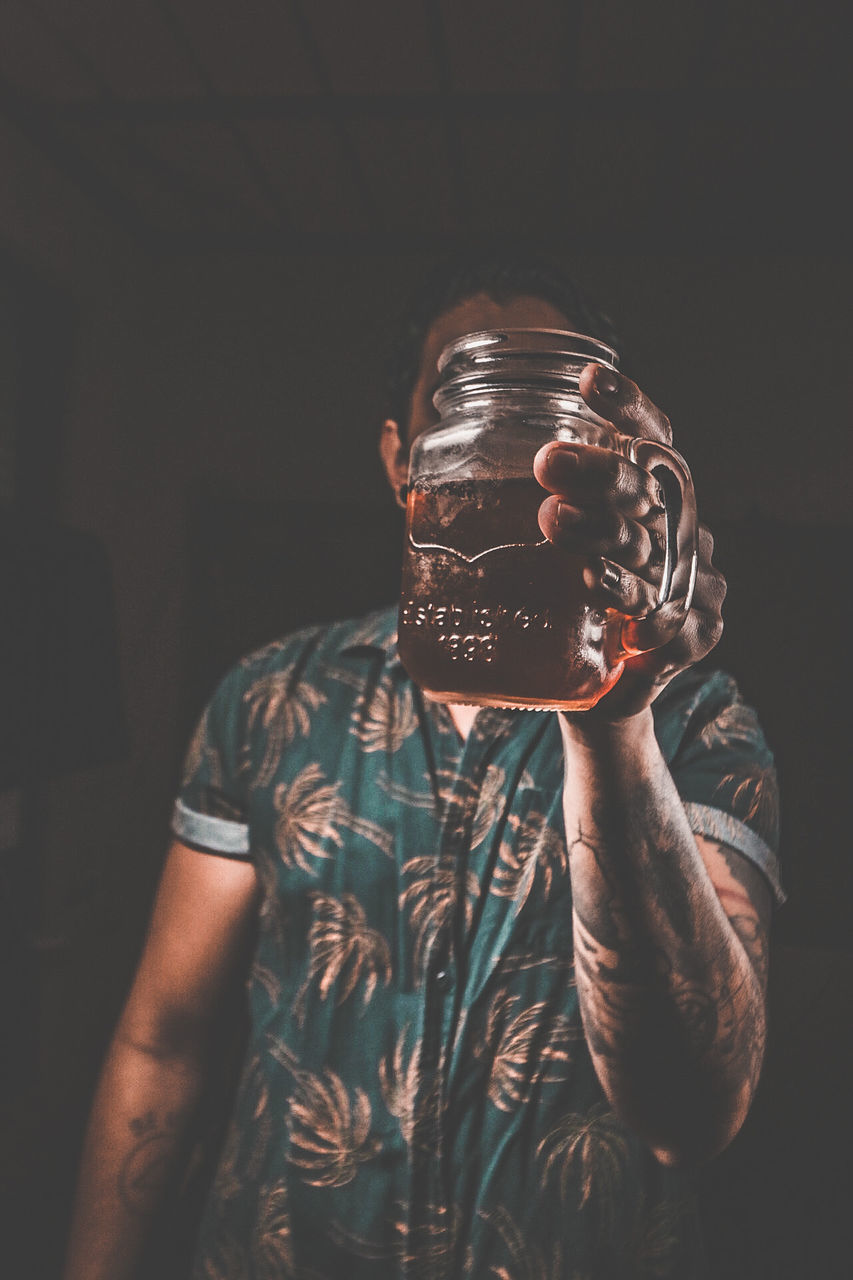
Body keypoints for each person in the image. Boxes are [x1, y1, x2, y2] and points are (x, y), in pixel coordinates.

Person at [63, 256, 782, 1279]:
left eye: (555, 424)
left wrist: (611, 718)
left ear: (612, 464)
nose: (522, 453)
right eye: (471, 402)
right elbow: (163, 1043)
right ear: (407, 457)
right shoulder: (269, 700)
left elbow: (691, 1112)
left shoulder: (696, 719)